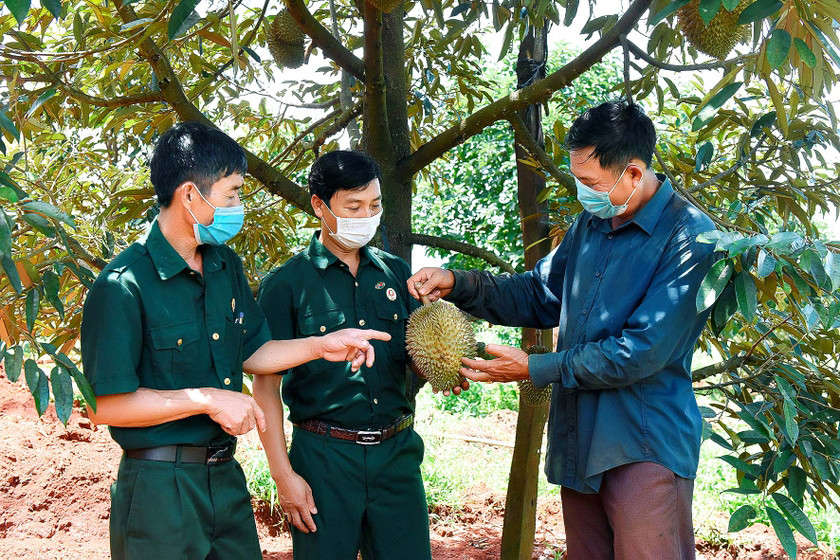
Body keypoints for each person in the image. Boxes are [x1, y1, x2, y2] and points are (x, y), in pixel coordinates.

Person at [409, 101, 718, 559]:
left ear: (634, 173)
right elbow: (539, 294)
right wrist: (459, 283)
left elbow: (641, 351)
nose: (583, 193)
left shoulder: (690, 238)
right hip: (579, 440)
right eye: (578, 180)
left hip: (642, 445)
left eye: (590, 183)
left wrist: (535, 368)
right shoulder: (591, 224)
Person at [80, 122, 390, 560]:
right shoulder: (123, 285)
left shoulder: (224, 266)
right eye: (232, 194)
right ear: (191, 196)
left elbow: (255, 352)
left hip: (224, 477)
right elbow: (104, 407)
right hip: (158, 488)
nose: (239, 207)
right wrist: (206, 399)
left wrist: (321, 345)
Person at [253, 150, 433, 560]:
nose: (366, 216)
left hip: (397, 453)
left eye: (375, 205)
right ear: (320, 205)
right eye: (353, 207)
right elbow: (264, 386)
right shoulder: (286, 284)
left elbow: (414, 357)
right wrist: (283, 475)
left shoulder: (396, 273)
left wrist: (444, 365)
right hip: (323, 458)